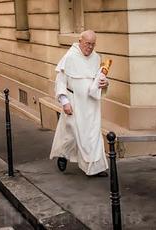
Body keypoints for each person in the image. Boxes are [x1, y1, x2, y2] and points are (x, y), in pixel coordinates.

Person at [49, 30, 110, 177]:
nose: (90, 47)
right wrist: (64, 102)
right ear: (80, 41)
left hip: (91, 103)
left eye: (93, 44)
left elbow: (98, 79)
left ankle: (95, 168)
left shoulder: (96, 58)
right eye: (88, 43)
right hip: (74, 101)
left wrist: (105, 83)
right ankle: (63, 154)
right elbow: (61, 81)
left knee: (92, 134)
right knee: (71, 134)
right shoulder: (70, 57)